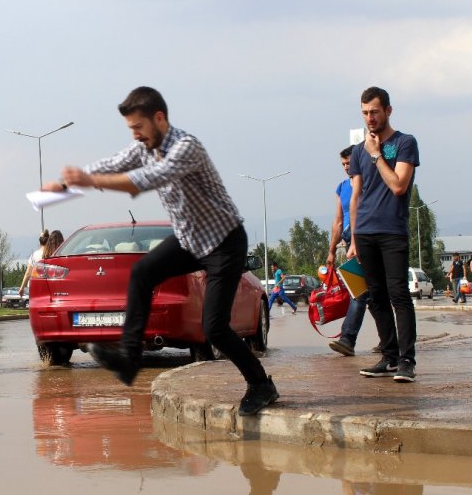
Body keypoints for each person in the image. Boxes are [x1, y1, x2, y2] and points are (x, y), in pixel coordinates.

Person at [43, 86, 278, 416]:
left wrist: (87, 179)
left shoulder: (186, 147)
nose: (136, 136)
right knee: (142, 271)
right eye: (130, 130)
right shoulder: (144, 146)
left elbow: (144, 180)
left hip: (224, 241)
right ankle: (129, 356)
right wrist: (67, 183)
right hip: (189, 239)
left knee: (215, 328)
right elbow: (114, 163)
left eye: (138, 127)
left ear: (159, 118)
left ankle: (261, 385)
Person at [347, 86, 420, 383]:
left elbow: (399, 185)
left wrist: (377, 155)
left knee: (398, 294)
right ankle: (388, 356)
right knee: (375, 297)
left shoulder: (405, 143)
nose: (369, 118)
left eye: (374, 112)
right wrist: (352, 238)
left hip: (392, 230)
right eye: (365, 113)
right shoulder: (357, 151)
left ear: (388, 110)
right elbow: (356, 195)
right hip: (364, 231)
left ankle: (406, 360)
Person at [326, 146, 371, 356]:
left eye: (349, 163)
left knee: (360, 292)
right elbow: (337, 221)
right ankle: (389, 342)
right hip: (349, 242)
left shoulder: (369, 183)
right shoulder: (342, 187)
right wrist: (331, 251)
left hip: (365, 239)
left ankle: (347, 339)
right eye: (343, 164)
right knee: (367, 293)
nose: (346, 167)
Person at [19, 229, 49, 297]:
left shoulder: (34, 255)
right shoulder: (52, 254)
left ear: (40, 242)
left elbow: (28, 273)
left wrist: (22, 288)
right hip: (47, 286)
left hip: (35, 286)